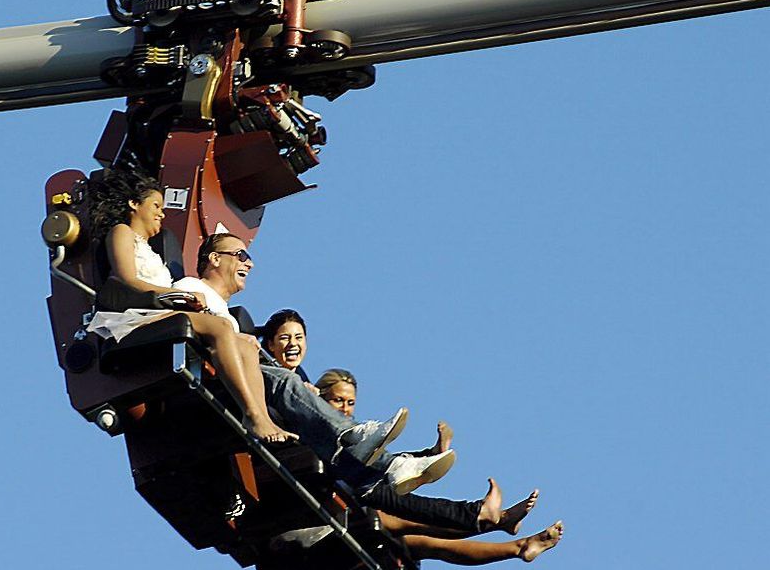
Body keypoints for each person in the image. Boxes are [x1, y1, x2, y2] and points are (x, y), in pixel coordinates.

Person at [173, 233, 457, 495]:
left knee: (318, 433)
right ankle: (354, 433)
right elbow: (181, 326)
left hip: (245, 383)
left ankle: (395, 467)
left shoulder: (229, 316)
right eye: (242, 256)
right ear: (214, 258)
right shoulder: (191, 287)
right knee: (287, 381)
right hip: (213, 382)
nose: (250, 263)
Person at [83, 169, 294, 444]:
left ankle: (262, 418)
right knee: (219, 326)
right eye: (156, 205)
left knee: (244, 344)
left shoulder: (152, 251)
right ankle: (253, 415)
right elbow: (128, 278)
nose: (161, 214)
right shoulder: (122, 232)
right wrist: (173, 294)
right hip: (134, 316)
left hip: (160, 310)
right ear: (134, 204)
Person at [316, 368, 564, 565]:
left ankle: (517, 546)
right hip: (340, 500)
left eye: (350, 402)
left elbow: (370, 463)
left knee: (430, 544)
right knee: (413, 527)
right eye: (338, 400)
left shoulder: (350, 434)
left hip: (358, 496)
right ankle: (492, 521)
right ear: (320, 396)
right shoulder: (313, 423)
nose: (345, 409)